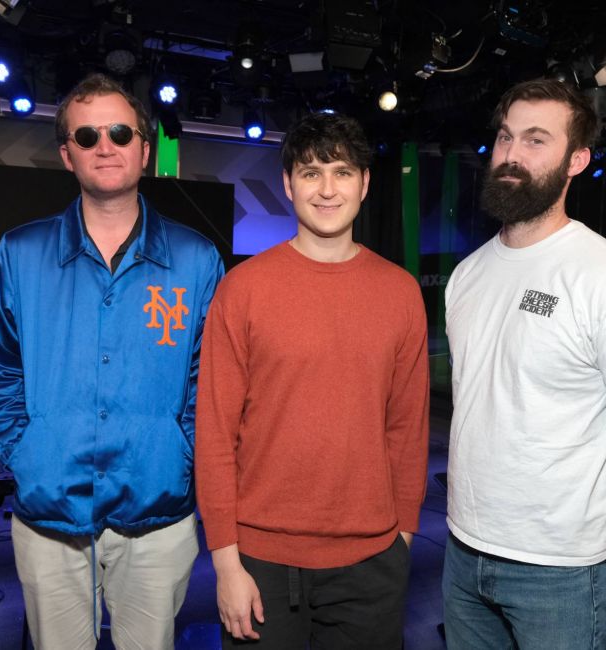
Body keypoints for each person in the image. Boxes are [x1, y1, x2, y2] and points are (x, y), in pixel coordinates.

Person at [0, 73, 224, 650]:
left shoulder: (196, 258)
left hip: (159, 509)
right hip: (49, 509)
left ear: (145, 148)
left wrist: (180, 453)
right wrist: (29, 451)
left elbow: (211, 379)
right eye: (86, 135)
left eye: (118, 131)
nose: (104, 145)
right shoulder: (21, 252)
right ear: (67, 155)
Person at [441, 78, 606, 649]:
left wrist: (605, 508)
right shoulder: (468, 274)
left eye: (535, 141)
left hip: (561, 570)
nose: (511, 155)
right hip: (463, 549)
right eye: (505, 138)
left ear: (577, 160)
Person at [194, 111, 430, 649]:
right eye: (310, 173)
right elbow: (214, 433)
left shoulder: (399, 292)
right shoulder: (243, 289)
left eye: (342, 172)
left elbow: (408, 430)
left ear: (365, 184)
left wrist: (403, 539)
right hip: (260, 563)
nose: (327, 189)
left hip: (372, 562)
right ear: (288, 184)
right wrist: (226, 562)